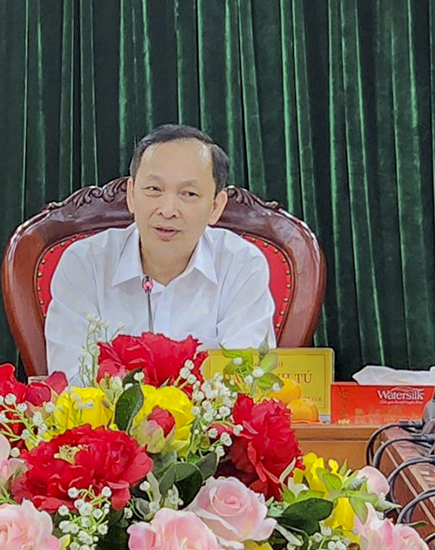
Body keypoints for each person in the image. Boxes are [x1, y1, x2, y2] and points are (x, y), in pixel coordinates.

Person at [42, 125, 276, 382]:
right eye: (154, 189)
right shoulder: (85, 264)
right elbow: (72, 379)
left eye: (189, 194)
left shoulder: (241, 265)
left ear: (215, 207)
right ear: (131, 195)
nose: (167, 210)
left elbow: (244, 379)